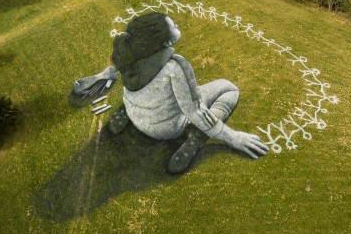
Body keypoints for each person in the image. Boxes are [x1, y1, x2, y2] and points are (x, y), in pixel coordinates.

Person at [108, 12, 268, 173]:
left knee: (149, 93)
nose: (177, 24)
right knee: (229, 88)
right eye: (173, 25)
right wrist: (234, 138)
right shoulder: (175, 66)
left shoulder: (127, 54)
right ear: (165, 41)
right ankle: (198, 138)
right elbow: (195, 111)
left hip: (137, 116)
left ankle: (125, 112)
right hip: (167, 129)